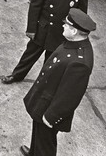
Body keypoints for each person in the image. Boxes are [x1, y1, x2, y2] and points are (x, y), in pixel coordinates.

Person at [20, 9, 96, 156]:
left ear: (74, 31)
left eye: (66, 25)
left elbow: (70, 97)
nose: (63, 26)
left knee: (46, 146)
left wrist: (51, 117)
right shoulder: (72, 43)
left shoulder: (80, 62)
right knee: (38, 135)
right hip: (43, 101)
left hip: (50, 110)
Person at [1, 0, 89, 85]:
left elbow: (81, 16)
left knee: (51, 61)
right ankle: (17, 75)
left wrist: (75, 37)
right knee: (29, 55)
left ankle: (43, 82)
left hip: (61, 34)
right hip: (43, 30)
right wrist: (31, 29)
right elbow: (35, 8)